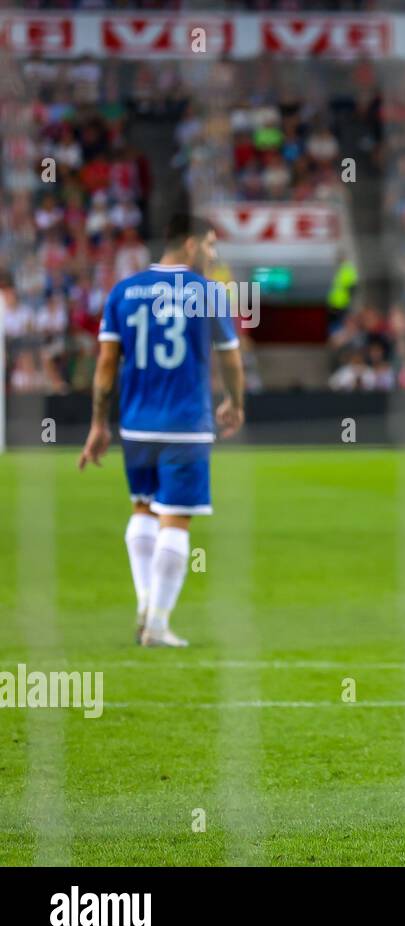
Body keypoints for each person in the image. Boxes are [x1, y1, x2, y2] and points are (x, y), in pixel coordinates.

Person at [78, 213, 245, 648]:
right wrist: (235, 402)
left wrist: (99, 423)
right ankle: (157, 622)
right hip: (186, 424)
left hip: (136, 425)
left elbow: (105, 368)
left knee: (142, 509)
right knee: (175, 518)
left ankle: (145, 605)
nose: (211, 254)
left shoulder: (123, 292)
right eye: (209, 245)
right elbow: (229, 357)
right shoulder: (207, 294)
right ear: (189, 245)